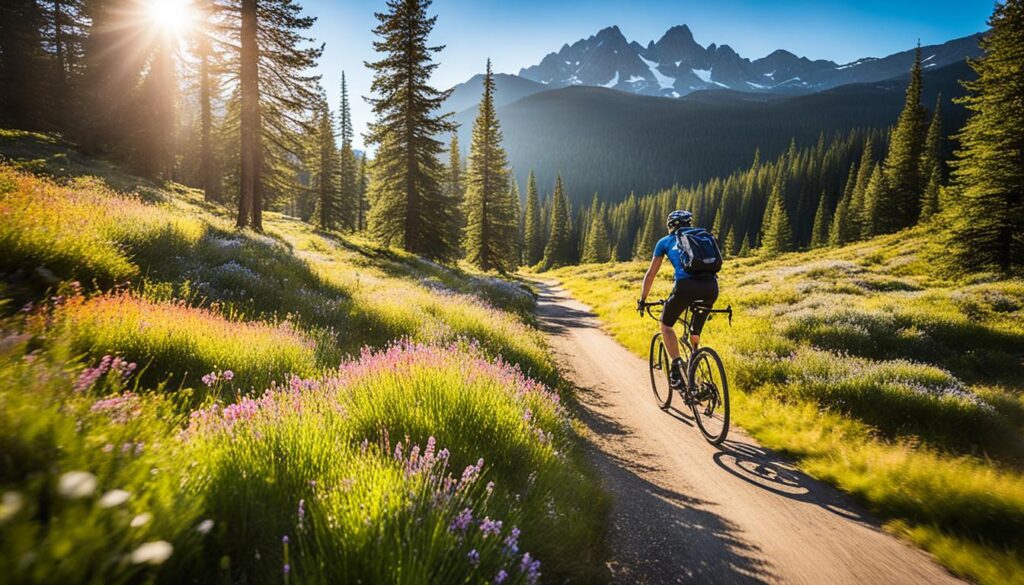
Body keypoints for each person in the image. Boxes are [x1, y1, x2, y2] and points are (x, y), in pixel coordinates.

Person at [637, 210, 719, 389]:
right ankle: (695, 375)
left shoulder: (664, 242)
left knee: (666, 326)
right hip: (711, 288)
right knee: (694, 333)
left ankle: (676, 368)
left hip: (685, 287)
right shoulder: (702, 237)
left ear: (670, 226)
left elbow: (651, 274)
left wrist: (643, 299)